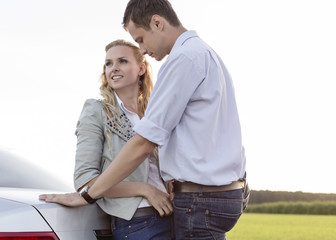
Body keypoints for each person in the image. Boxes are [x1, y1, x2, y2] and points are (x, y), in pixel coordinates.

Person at [40, 0, 250, 239]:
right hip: (213, 197)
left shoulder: (184, 59)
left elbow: (144, 143)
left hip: (199, 201)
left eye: (140, 39)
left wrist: (88, 195)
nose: (143, 48)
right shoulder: (206, 54)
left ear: (157, 23)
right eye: (108, 63)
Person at [40, 39, 173, 240]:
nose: (114, 68)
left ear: (141, 69)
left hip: (175, 217)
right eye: (108, 63)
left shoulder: (155, 113)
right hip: (138, 223)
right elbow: (86, 179)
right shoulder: (97, 110)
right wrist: (146, 189)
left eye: (122, 61)